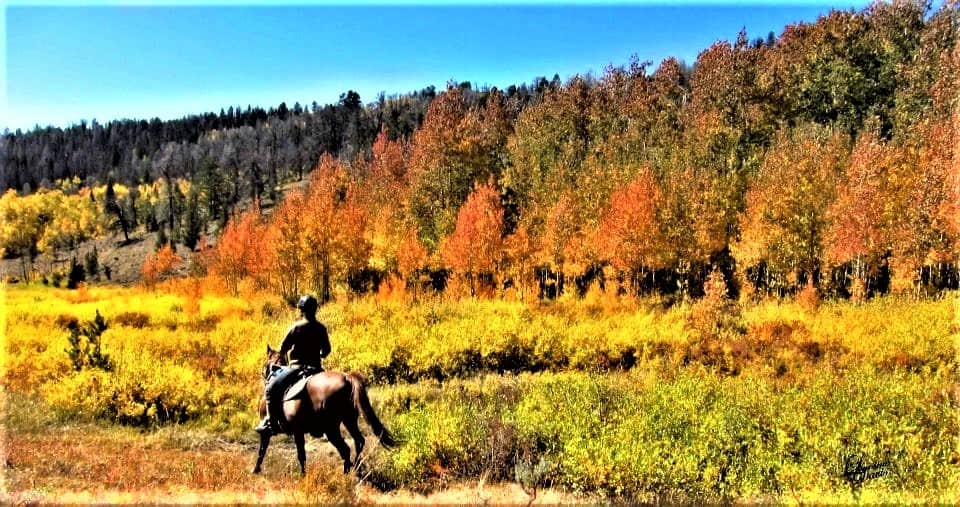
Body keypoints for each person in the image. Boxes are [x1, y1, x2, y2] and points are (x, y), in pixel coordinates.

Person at [255, 294, 331, 435]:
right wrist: (319, 355)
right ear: (315, 309)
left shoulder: (296, 327)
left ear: (301, 310)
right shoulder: (321, 328)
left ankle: (269, 422)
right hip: (317, 369)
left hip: (297, 368)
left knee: (270, 389)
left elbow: (282, 350)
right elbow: (327, 351)